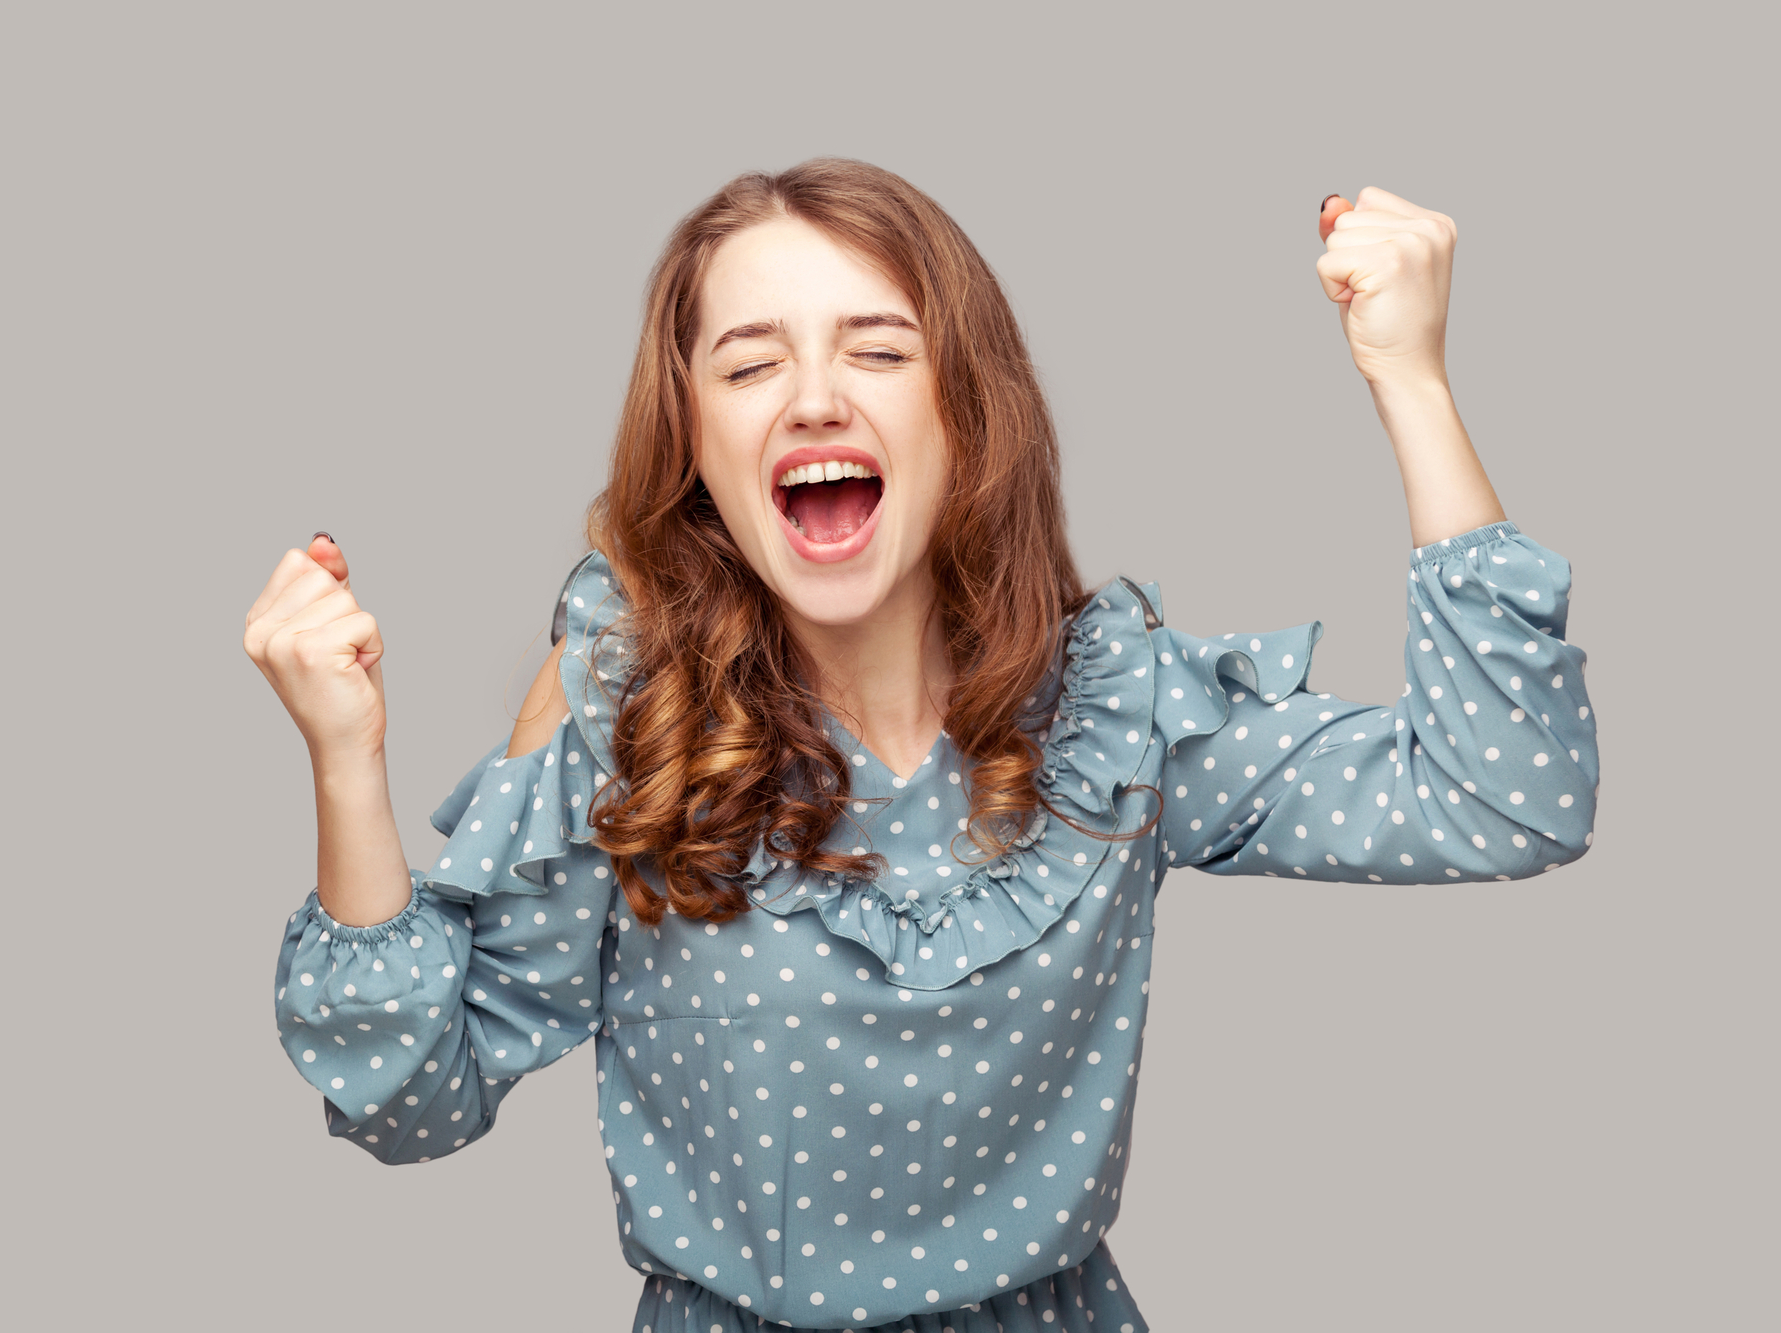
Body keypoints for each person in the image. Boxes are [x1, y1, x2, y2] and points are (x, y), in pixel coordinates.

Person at [243, 159, 1598, 1332]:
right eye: (750, 361)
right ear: (698, 445)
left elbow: (1502, 795)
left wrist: (1409, 378)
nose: (817, 398)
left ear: (968, 416)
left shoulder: (1111, 721)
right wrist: (345, 759)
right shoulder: (630, 726)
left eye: (878, 350)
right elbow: (409, 1102)